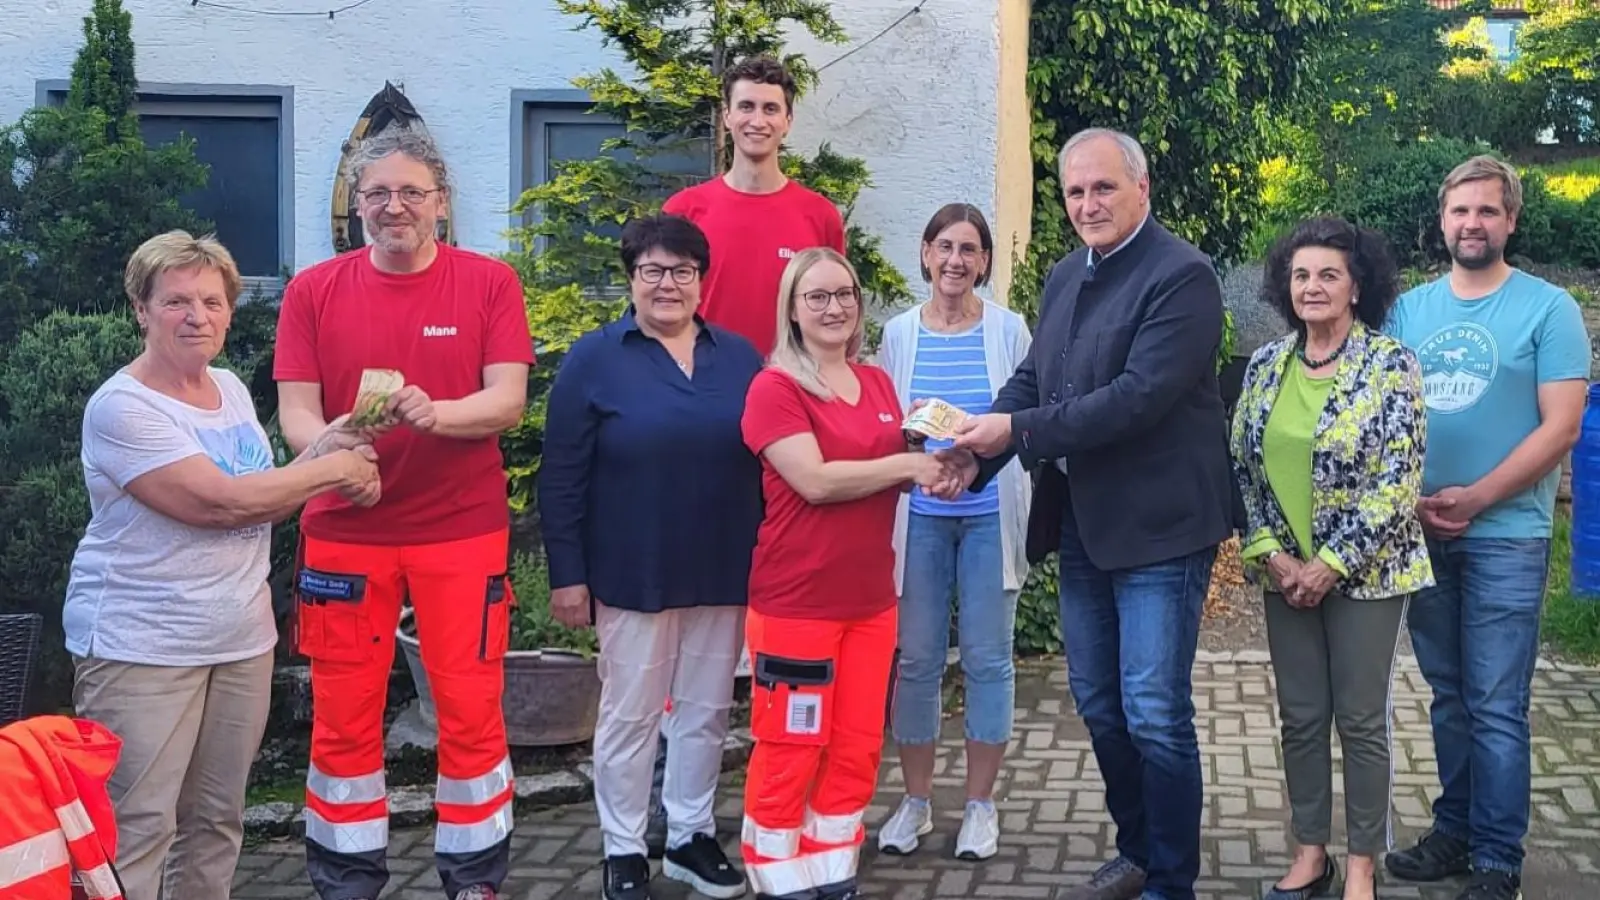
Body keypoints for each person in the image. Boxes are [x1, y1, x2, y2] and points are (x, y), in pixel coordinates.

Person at [942, 127, 1234, 900]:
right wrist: (979, 450)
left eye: (1102, 187)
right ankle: (1136, 849)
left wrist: (1018, 432)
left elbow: (1137, 399)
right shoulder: (1068, 274)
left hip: (1161, 528)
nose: (1087, 204)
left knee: (1152, 709)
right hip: (1082, 523)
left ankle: (1171, 879)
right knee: (1102, 703)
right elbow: (1036, 378)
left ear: (1142, 188)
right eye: (1074, 191)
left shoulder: (1184, 276)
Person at [64, 230, 381, 900]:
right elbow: (219, 503)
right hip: (142, 645)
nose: (196, 316)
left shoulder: (231, 389)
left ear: (230, 311)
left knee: (216, 821)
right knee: (136, 826)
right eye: (176, 300)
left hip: (240, 641)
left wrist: (336, 441)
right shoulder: (123, 407)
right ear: (140, 309)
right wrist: (332, 470)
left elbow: (266, 495)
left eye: (211, 300)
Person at [273, 126, 536, 900]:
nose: (396, 207)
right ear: (357, 207)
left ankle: (475, 874)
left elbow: (508, 400)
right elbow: (294, 411)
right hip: (345, 533)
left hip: (461, 531)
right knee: (344, 713)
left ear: (441, 204)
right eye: (379, 194)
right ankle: (348, 875)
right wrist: (331, 451)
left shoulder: (489, 283)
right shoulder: (312, 292)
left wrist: (436, 413)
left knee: (470, 709)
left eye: (412, 193)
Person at [539, 214, 764, 900]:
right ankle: (625, 847)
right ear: (631, 278)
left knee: (705, 709)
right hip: (633, 569)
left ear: (702, 281)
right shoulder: (594, 359)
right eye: (652, 271)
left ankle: (691, 836)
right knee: (632, 713)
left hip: (723, 567)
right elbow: (562, 475)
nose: (667, 284)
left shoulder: (741, 357)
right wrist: (568, 576)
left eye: (682, 271)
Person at [1383, 156, 1590, 900]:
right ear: (1441, 221)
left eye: (1487, 211)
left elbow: (1561, 429)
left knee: (1497, 700)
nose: (1472, 223)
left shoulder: (1549, 309)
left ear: (1511, 220)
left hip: (1507, 535)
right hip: (1426, 531)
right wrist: (1410, 502)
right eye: (1460, 211)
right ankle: (1455, 830)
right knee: (1447, 692)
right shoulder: (1410, 311)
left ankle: (1499, 859)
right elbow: (1388, 417)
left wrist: (1476, 499)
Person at [738, 247, 955, 899]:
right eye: (817, 297)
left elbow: (896, 465)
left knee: (857, 743)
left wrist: (938, 458)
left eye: (845, 294)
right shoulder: (774, 387)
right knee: (792, 744)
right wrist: (906, 469)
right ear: (793, 311)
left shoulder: (878, 384)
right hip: (796, 602)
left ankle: (833, 864)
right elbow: (815, 482)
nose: (834, 307)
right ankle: (776, 872)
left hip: (868, 599)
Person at [1231, 217, 1433, 900]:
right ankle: (1310, 852)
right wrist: (1276, 556)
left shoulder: (1390, 364)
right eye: (1300, 275)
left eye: (1328, 275)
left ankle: (1361, 865)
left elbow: (1397, 480)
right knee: (1301, 716)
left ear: (1356, 287)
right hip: (1283, 575)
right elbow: (1243, 470)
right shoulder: (1265, 366)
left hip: (1368, 576)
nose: (1311, 287)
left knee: (1360, 719)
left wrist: (1331, 563)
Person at [874, 203, 1033, 860]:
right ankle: (913, 802)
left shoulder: (1009, 330)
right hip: (921, 522)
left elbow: (1026, 418)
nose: (956, 261)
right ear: (925, 252)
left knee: (989, 662)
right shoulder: (899, 334)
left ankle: (979, 806)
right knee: (915, 663)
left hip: (990, 514)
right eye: (945, 247)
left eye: (969, 250)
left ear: (985, 262)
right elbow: (884, 424)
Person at [662, 54, 846, 356]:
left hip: (794, 388)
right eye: (746, 107)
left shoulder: (820, 216)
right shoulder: (683, 212)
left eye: (770, 109)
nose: (757, 121)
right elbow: (661, 311)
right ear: (727, 116)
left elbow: (836, 316)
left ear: (787, 121)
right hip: (702, 388)